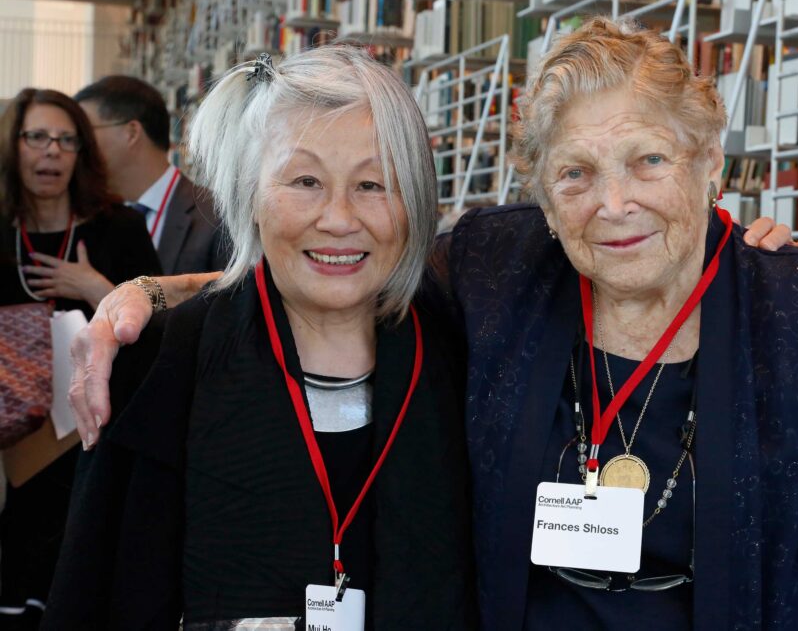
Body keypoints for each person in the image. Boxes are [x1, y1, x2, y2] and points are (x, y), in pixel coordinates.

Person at [62, 19, 798, 630]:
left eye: (649, 159)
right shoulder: (503, 269)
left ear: (709, 161)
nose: (614, 205)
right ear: (540, 191)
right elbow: (335, 263)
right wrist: (146, 290)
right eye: (575, 172)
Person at [43, 48, 476, 629]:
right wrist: (144, 292)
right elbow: (99, 589)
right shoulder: (162, 364)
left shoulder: (462, 348)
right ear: (249, 193)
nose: (340, 218)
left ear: (417, 202)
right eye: (305, 181)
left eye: (374, 183)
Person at [0, 88, 161, 629]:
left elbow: (163, 338)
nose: (52, 152)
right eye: (38, 137)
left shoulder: (119, 229)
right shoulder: (4, 233)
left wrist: (97, 289)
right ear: (13, 146)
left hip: (99, 441)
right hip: (13, 449)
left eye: (68, 140)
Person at [76, 75, 230, 274]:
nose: (78, 146)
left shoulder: (215, 216)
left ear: (131, 133)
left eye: (85, 133)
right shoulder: (93, 218)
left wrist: (96, 290)